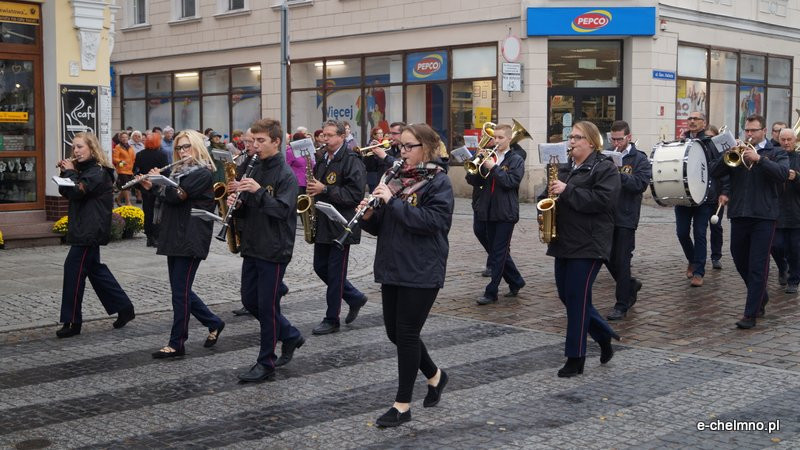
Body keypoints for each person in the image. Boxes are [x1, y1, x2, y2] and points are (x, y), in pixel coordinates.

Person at [360, 123, 453, 428]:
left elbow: (432, 222)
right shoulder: (396, 177)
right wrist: (370, 215)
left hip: (422, 267)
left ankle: (402, 405)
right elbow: (384, 225)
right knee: (394, 333)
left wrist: (392, 202)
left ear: (425, 147)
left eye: (408, 146)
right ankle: (436, 376)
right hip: (393, 264)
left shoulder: (438, 182)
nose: (402, 151)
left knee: (407, 334)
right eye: (400, 146)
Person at [541, 121, 620, 377]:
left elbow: (603, 201)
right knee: (569, 296)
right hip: (563, 241)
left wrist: (568, 190)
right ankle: (603, 335)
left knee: (576, 299)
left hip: (589, 244)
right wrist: (548, 198)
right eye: (570, 137)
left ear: (591, 141)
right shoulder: (564, 168)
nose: (571, 141)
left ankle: (575, 358)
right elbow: (551, 196)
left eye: (577, 137)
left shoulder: (605, 168)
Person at [228, 119, 305, 382]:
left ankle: (266, 362)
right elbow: (251, 205)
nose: (255, 146)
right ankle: (291, 335)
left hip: (274, 248)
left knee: (267, 305)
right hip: (252, 244)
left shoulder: (286, 175)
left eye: (261, 141)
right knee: (250, 301)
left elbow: (282, 211)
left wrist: (258, 192)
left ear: (276, 142)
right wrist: (236, 202)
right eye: (253, 141)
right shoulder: (253, 167)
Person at [139, 129, 225, 357]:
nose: (183, 151)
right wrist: (150, 185)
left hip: (190, 236)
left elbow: (178, 196)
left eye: (187, 146)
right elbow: (168, 196)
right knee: (181, 290)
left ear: (197, 147)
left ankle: (177, 343)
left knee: (180, 292)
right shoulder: (177, 172)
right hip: (174, 235)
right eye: (179, 147)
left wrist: (158, 186)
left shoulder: (203, 173)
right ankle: (213, 321)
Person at [710, 115, 789, 329]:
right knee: (738, 258)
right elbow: (714, 172)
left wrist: (760, 159)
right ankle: (760, 295)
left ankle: (750, 314)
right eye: (747, 130)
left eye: (754, 130)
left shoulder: (776, 152)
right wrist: (727, 154)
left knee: (757, 265)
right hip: (739, 214)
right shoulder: (738, 151)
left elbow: (782, 174)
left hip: (764, 216)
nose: (749, 134)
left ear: (763, 131)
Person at [55, 132, 135, 338]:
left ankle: (72, 321)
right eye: (74, 147)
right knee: (95, 270)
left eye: (80, 147)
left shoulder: (98, 172)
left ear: (92, 148)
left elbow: (77, 191)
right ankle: (124, 307)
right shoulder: (84, 170)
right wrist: (66, 173)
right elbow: (67, 192)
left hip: (90, 230)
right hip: (84, 227)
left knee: (73, 269)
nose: (76, 151)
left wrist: (70, 173)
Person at [306, 120, 368, 335]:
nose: (326, 139)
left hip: (343, 224)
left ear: (342, 136)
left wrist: (325, 189)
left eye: (331, 135)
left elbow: (355, 195)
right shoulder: (323, 158)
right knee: (320, 267)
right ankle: (354, 297)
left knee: (335, 273)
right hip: (324, 222)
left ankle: (332, 319)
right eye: (324, 135)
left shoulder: (352, 159)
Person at [467, 123, 526, 305]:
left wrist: (493, 168)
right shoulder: (488, 156)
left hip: (505, 212)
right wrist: (477, 165)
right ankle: (516, 280)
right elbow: (473, 181)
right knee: (495, 252)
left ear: (509, 139)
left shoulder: (516, 159)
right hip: (487, 209)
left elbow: (510, 182)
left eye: (501, 138)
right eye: (495, 137)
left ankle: (491, 292)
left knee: (499, 253)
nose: (497, 141)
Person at [605, 121, 651, 320]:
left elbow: (640, 184)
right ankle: (630, 284)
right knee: (606, 257)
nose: (616, 143)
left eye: (620, 139)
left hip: (626, 215)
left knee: (622, 260)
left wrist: (618, 174)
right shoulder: (606, 156)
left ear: (629, 137)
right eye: (613, 139)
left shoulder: (639, 158)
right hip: (606, 215)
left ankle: (621, 304)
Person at [676, 111, 727, 285]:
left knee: (699, 233)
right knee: (682, 233)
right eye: (689, 118)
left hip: (706, 196)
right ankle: (692, 259)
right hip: (683, 195)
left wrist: (724, 192)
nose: (691, 121)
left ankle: (699, 272)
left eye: (695, 119)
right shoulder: (680, 141)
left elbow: (724, 169)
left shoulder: (711, 143)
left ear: (703, 123)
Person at [770, 128, 800, 293]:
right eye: (783, 139)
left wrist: (796, 177)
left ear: (795, 140)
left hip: (796, 211)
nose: (786, 143)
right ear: (778, 140)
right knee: (775, 245)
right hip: (776, 210)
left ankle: (794, 280)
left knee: (795, 249)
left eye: (789, 139)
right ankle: (783, 267)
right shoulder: (773, 157)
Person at [133, 132, 168, 247]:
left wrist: (141, 180)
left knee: (147, 211)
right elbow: (166, 173)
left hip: (144, 187)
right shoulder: (162, 154)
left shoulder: (140, 154)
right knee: (157, 212)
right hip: (157, 186)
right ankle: (156, 237)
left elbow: (135, 171)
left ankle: (149, 237)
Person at [285, 131, 315, 195]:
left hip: (308, 183)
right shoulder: (290, 151)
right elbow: (286, 168)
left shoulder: (307, 151)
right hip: (297, 184)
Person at [112, 131, 135, 206]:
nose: (124, 138)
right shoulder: (118, 147)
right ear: (120, 139)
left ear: (128, 138)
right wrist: (121, 161)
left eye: (126, 137)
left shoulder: (130, 147)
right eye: (122, 137)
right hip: (122, 170)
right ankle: (128, 202)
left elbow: (133, 157)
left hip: (130, 170)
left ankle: (118, 199)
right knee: (126, 186)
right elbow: (115, 159)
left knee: (127, 186)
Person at [364, 127, 385, 192]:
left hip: (381, 173)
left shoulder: (383, 144)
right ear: (374, 135)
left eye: (382, 133)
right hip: (373, 174)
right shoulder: (370, 145)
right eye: (379, 133)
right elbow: (367, 162)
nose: (381, 135)